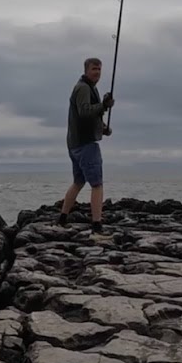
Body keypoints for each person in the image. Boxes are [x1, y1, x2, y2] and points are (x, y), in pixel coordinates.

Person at [59, 57, 114, 232]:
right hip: (85, 145)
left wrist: (103, 128)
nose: (97, 72)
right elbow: (84, 112)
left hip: (74, 144)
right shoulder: (83, 88)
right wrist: (103, 105)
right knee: (97, 185)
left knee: (78, 181)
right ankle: (97, 227)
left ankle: (62, 219)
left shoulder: (88, 88)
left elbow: (87, 116)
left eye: (99, 69)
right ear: (86, 70)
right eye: (94, 69)